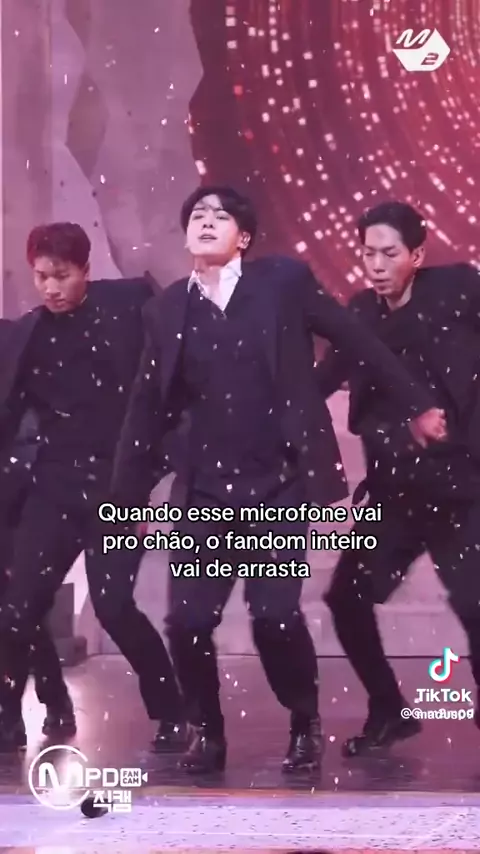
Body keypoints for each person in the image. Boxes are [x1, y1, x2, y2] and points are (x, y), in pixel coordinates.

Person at [111, 185, 446, 775]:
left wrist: (417, 403)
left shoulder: (282, 284)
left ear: (244, 237)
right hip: (204, 493)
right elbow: (145, 406)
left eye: (220, 216)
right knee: (188, 622)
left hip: (277, 486)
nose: (206, 222)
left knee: (274, 617)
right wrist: (126, 496)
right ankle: (208, 732)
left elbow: (357, 339)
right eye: (197, 215)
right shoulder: (166, 311)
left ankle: (303, 719)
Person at [0, 223, 183, 750]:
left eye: (61, 275)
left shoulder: (129, 307)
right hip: (53, 489)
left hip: (115, 492)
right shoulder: (27, 335)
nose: (51, 287)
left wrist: (151, 476)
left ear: (85, 269)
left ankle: (173, 711)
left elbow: (168, 388)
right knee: (17, 610)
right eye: (41, 276)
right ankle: (12, 719)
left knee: (115, 607)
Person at [319, 201, 480, 756]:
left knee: (476, 603)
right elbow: (322, 381)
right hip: (395, 491)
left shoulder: (458, 289)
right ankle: (389, 709)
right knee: (346, 598)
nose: (377, 265)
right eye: (368, 253)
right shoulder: (361, 313)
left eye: (389, 253)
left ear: (417, 254)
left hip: (463, 486)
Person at [0, 376, 76, 742]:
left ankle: (21, 711)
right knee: (20, 615)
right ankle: (29, 708)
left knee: (20, 614)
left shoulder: (20, 377)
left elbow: (28, 451)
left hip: (18, 509)